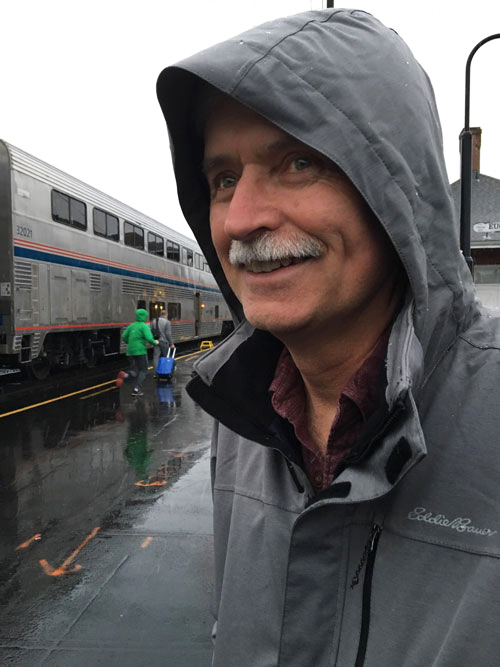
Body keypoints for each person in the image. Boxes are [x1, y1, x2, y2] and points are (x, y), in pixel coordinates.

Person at [156, 9, 500, 667]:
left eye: (299, 161)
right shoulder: (242, 419)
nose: (243, 219)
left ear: (397, 186)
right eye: (223, 179)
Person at [117, 308, 158, 397]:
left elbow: (124, 336)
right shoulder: (144, 326)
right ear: (144, 317)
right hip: (140, 351)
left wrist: (129, 342)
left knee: (135, 370)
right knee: (143, 370)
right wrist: (155, 343)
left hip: (130, 351)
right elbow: (149, 338)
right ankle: (136, 390)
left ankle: (125, 375)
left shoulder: (131, 325)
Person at [151, 309, 174, 375]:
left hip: (156, 341)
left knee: (156, 357)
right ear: (166, 315)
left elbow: (152, 331)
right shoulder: (167, 322)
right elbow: (168, 334)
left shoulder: (154, 321)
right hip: (164, 342)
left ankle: (156, 372)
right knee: (167, 356)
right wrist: (171, 343)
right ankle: (166, 372)